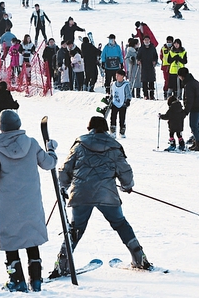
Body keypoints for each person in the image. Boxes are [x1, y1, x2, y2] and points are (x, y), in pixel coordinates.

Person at [50, 116, 152, 279]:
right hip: (107, 193)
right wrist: (127, 185)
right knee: (120, 223)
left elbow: (65, 170)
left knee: (76, 227)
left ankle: (62, 263)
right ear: (105, 129)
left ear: (89, 128)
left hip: (81, 193)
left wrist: (63, 186)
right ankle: (139, 257)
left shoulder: (79, 145)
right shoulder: (114, 146)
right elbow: (124, 170)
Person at [0, 109, 57, 292]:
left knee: (11, 239)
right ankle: (36, 281)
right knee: (31, 238)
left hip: (8, 203)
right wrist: (51, 150)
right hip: (31, 201)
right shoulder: (32, 144)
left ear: (1, 127)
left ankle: (17, 281)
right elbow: (49, 164)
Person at [178, 67, 199, 151]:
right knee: (195, 125)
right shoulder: (193, 82)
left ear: (182, 76)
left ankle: (198, 144)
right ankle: (195, 141)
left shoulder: (189, 85)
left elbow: (190, 99)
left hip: (197, 107)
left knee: (193, 126)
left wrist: (186, 111)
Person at [108, 69, 131, 138]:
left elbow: (128, 94)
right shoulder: (113, 84)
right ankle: (113, 132)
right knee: (113, 118)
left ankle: (122, 132)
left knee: (122, 118)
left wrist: (128, 100)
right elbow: (112, 93)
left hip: (122, 104)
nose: (117, 76)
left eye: (118, 75)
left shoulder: (125, 85)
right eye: (116, 75)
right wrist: (110, 99)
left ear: (122, 76)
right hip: (115, 103)